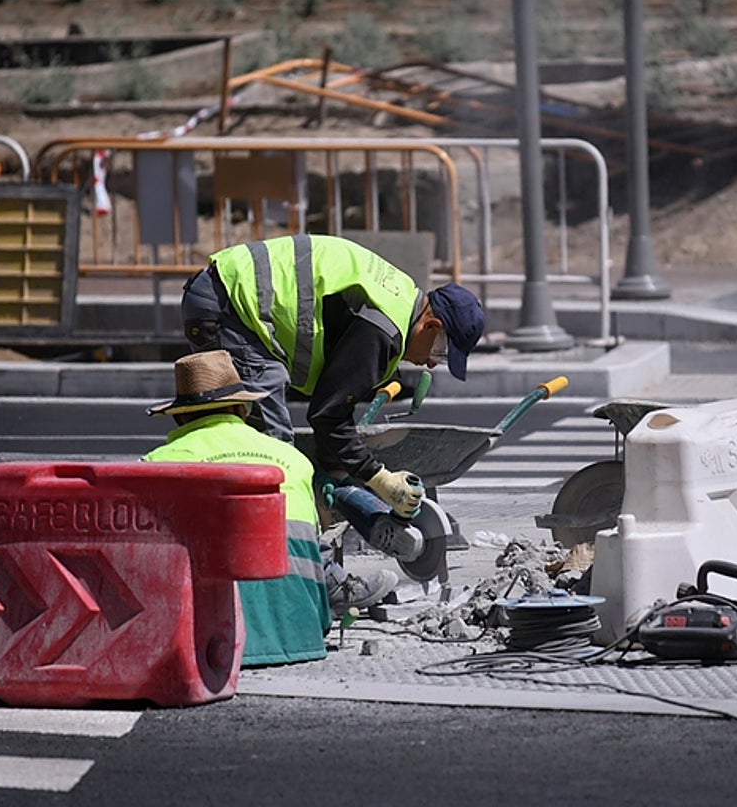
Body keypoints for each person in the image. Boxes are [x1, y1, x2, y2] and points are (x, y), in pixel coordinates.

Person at [180, 233, 485, 520]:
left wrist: (336, 468)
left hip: (229, 293)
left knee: (265, 440)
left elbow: (332, 404)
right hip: (229, 304)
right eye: (441, 352)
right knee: (274, 449)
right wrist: (378, 478)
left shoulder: (400, 297)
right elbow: (329, 414)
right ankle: (285, 550)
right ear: (430, 326)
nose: (432, 364)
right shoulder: (383, 329)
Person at [142, 349, 398, 666]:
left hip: (210, 646)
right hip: (301, 635)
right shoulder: (294, 460)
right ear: (242, 407)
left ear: (180, 415)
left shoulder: (157, 465)